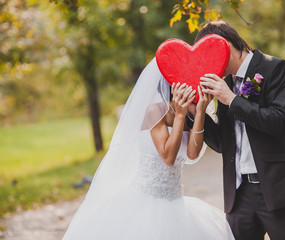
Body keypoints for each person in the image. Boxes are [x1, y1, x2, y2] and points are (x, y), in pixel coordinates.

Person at [62, 58, 235, 239]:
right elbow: (168, 157)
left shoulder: (192, 111)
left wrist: (200, 112)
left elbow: (192, 154)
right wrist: (180, 116)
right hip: (145, 200)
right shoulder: (154, 111)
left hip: (176, 202)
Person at [187, 21, 285, 240]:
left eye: (210, 54)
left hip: (278, 189)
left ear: (225, 45)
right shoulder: (225, 82)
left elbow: (279, 122)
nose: (208, 64)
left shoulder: (275, 68)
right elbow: (221, 144)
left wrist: (231, 99)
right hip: (238, 196)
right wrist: (195, 112)